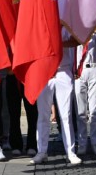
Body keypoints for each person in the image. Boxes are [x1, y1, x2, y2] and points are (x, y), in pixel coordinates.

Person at [30, 28, 82, 165]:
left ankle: (70, 152)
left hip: (62, 71)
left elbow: (77, 40)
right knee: (43, 115)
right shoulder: (39, 25)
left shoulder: (65, 24)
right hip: (44, 71)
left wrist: (58, 42)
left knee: (66, 115)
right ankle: (41, 151)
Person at [75, 33, 96, 155]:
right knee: (80, 111)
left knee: (95, 110)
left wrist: (88, 29)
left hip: (93, 68)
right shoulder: (73, 31)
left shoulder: (95, 33)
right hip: (78, 70)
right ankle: (82, 143)